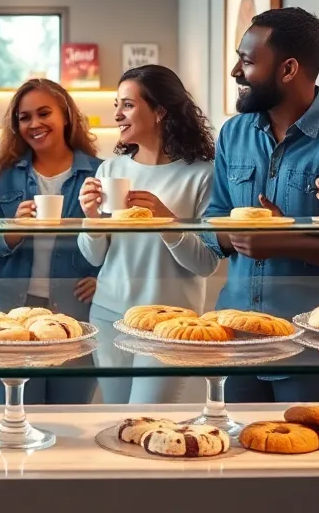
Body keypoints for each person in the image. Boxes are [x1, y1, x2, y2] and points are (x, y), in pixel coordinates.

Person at [201, 7, 319, 404]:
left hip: (313, 346)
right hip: (234, 340)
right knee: (228, 456)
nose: (235, 71)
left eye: (247, 61)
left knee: (311, 460)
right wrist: (231, 235)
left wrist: (285, 241)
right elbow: (211, 217)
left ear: (288, 70)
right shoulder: (233, 134)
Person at [77, 65, 218, 404]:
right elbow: (94, 256)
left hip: (170, 322)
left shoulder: (201, 174)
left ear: (159, 111)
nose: (117, 115)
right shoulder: (111, 169)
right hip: (109, 313)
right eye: (116, 105)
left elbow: (206, 263)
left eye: (127, 105)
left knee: (147, 419)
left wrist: (167, 222)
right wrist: (92, 217)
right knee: (116, 419)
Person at [0, 78, 102, 405]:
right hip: (9, 312)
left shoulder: (99, 173)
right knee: (16, 413)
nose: (34, 124)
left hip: (78, 312)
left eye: (44, 113)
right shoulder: (2, 176)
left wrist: (103, 279)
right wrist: (14, 229)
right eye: (24, 117)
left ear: (65, 115)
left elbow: (118, 242)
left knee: (68, 416)